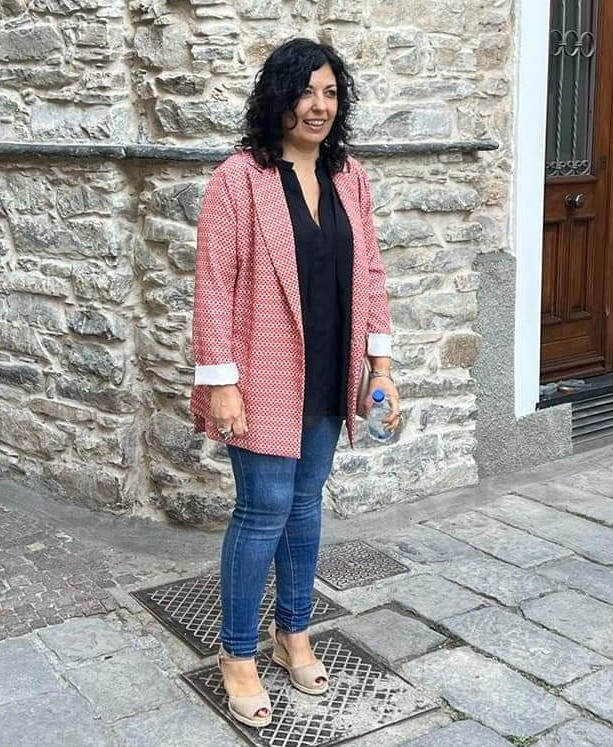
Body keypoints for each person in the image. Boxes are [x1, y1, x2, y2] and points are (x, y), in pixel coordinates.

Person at [190, 37, 400, 727]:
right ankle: (236, 653)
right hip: (260, 372)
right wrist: (221, 382)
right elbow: (213, 286)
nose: (318, 106)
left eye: (330, 93)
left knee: (306, 505)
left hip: (329, 367)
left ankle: (293, 632)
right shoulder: (239, 178)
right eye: (305, 91)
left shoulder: (350, 176)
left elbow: (370, 272)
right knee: (263, 509)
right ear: (278, 96)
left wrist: (380, 366)